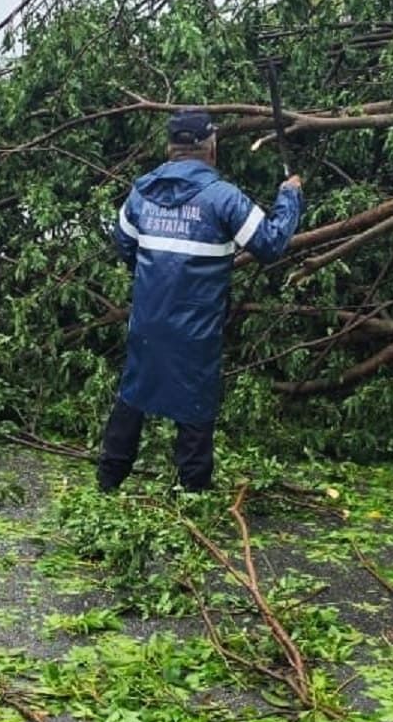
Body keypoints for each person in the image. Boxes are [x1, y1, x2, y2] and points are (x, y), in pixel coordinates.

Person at [98, 109, 304, 491]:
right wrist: (289, 196)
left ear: (169, 148)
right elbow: (271, 243)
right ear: (211, 146)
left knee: (134, 392)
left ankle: (107, 484)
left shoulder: (140, 192)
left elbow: (124, 244)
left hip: (147, 321)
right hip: (195, 328)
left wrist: (156, 278)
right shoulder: (222, 198)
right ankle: (193, 492)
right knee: (195, 403)